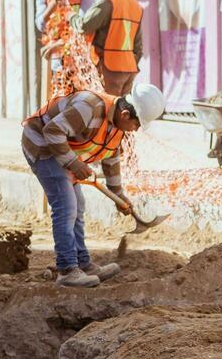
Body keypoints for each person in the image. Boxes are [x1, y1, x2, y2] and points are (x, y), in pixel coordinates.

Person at [22, 83, 164, 288]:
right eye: (137, 124)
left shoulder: (117, 127)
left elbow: (111, 156)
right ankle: (67, 270)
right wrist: (73, 163)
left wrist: (117, 193)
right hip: (41, 144)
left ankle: (83, 264)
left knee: (77, 205)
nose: (136, 130)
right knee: (66, 206)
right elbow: (52, 131)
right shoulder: (89, 107)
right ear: (125, 114)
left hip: (60, 149)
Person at [78, 0, 144, 97]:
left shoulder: (107, 0)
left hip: (110, 68)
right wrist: (130, 65)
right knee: (121, 114)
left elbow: (84, 26)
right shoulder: (135, 4)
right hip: (129, 69)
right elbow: (138, 47)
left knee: (107, 111)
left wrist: (71, 16)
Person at [33, 0, 95, 87]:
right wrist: (52, 7)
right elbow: (40, 25)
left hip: (81, 61)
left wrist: (57, 44)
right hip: (57, 64)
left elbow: (84, 27)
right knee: (59, 104)